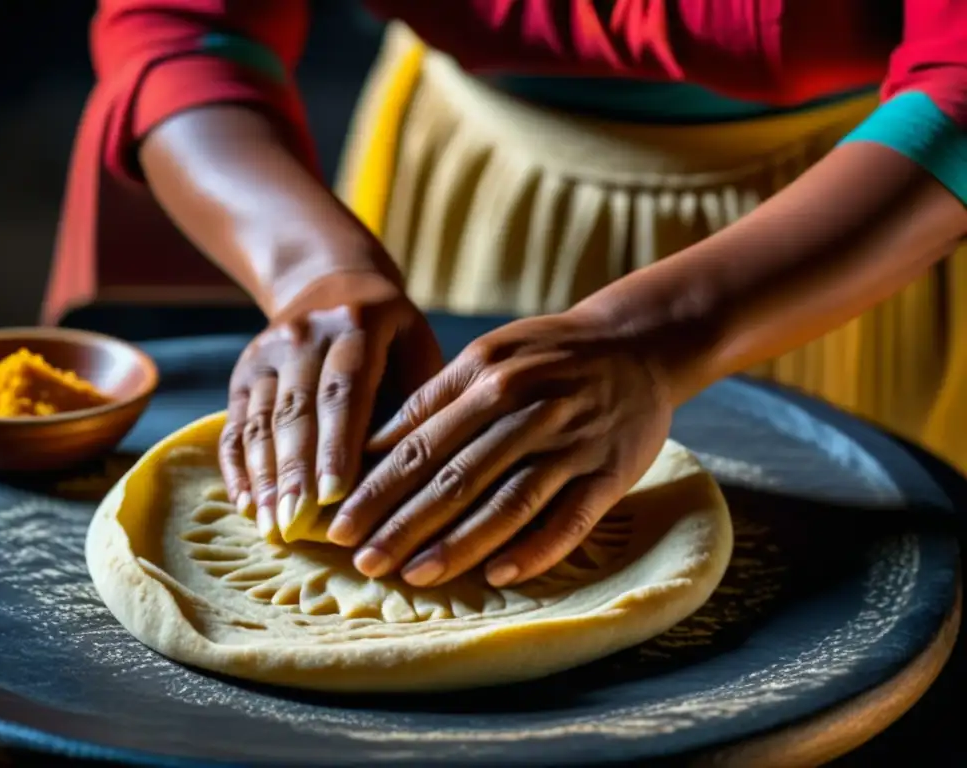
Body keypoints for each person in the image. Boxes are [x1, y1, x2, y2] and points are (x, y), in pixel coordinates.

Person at [52, 1, 966, 590]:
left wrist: (655, 337)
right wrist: (316, 277)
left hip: (852, 229)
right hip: (463, 185)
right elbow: (181, 23)